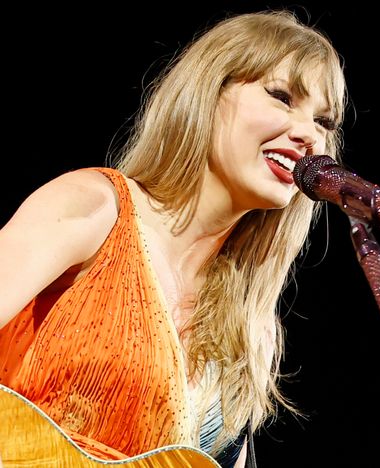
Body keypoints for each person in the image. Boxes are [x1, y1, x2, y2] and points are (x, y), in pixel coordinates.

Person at [0, 9, 346, 468]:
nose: (308, 136)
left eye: (325, 123)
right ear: (207, 94)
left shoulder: (253, 330)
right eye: (281, 96)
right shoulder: (95, 208)